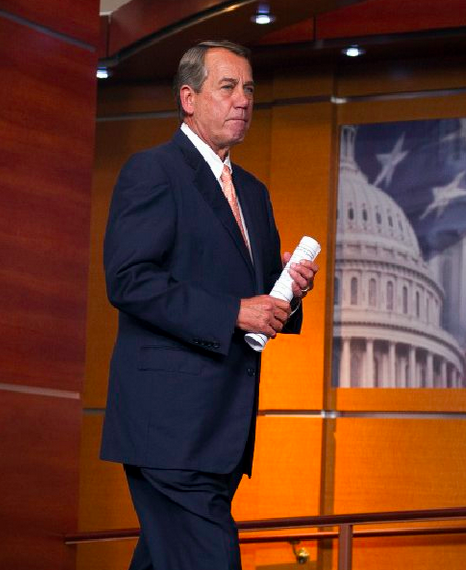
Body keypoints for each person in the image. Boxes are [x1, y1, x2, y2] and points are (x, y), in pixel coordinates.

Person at [100, 40, 317, 570]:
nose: (243, 99)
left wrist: (289, 288)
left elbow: (259, 300)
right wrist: (233, 312)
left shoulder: (254, 193)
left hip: (222, 431)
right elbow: (129, 280)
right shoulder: (153, 170)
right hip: (169, 430)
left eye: (249, 89)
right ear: (189, 98)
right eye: (228, 87)